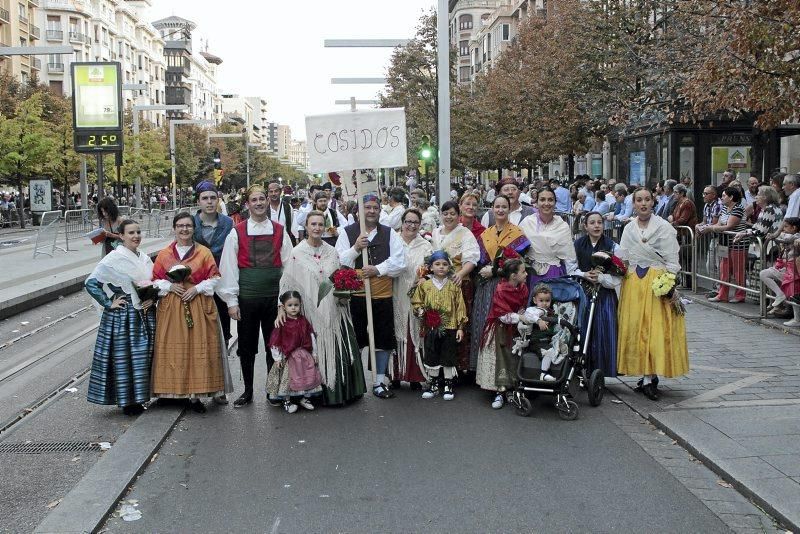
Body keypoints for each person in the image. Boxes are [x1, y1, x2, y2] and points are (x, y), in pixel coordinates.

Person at [277, 211, 366, 405]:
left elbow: (338, 275)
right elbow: (288, 282)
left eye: (320, 224)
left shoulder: (331, 251)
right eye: (313, 224)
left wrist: (345, 292)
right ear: (306, 227)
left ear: (324, 227)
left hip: (335, 309)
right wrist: (281, 307)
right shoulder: (297, 253)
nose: (317, 228)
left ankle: (344, 392)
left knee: (341, 347)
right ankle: (316, 393)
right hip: (311, 311)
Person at [218, 184, 294, 408]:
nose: (259, 203)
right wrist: (231, 301)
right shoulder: (237, 232)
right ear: (248, 204)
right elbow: (229, 267)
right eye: (255, 200)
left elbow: (289, 266)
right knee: (248, 346)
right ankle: (248, 390)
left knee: (275, 345)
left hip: (274, 298)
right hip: (248, 298)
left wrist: (285, 300)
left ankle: (273, 389)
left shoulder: (280, 231)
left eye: (262, 199)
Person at [151, 213, 231, 413]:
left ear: (193, 228)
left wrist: (197, 288)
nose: (184, 229)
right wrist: (169, 287)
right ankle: (172, 393)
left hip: (197, 303)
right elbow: (154, 279)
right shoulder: (164, 254)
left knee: (197, 349)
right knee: (172, 349)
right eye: (180, 226)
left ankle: (196, 394)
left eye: (188, 225)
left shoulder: (203, 252)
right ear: (174, 228)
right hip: (172, 306)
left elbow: (215, 277)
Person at [617, 187, 689, 401]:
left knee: (653, 329)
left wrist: (670, 282)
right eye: (639, 200)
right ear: (634, 204)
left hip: (656, 282)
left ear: (653, 202)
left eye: (647, 199)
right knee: (636, 329)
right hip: (633, 283)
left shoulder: (664, 227)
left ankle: (651, 377)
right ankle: (643, 373)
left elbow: (672, 259)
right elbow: (623, 258)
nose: (643, 203)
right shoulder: (629, 228)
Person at [336, 193, 406, 398]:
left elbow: (400, 262)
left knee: (382, 338)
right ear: (359, 210)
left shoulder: (389, 233)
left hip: (381, 294)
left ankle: (378, 381)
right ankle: (356, 382)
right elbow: (341, 261)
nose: (371, 211)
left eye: (375, 207)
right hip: (356, 296)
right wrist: (356, 248)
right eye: (367, 207)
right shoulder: (347, 232)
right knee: (356, 339)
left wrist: (378, 269)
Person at [85, 220, 155, 415]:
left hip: (144, 313)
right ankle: (128, 402)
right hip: (124, 317)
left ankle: (140, 397)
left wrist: (152, 298)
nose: (136, 236)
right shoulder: (113, 258)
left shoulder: (144, 257)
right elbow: (91, 283)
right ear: (121, 236)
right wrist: (110, 302)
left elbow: (153, 282)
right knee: (125, 359)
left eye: (138, 232)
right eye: (131, 233)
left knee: (142, 357)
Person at [469, 195, 531, 372]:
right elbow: (479, 260)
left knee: (503, 326)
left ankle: (503, 370)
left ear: (509, 209)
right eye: (497, 207)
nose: (500, 210)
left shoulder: (517, 234)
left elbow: (519, 263)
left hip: (506, 285)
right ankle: (482, 369)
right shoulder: (485, 234)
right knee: (483, 322)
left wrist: (495, 271)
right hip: (486, 286)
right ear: (492, 209)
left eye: (504, 207)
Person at [411, 250, 468, 401]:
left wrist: (460, 327)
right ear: (430, 267)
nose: (441, 267)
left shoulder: (454, 285)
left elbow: (460, 306)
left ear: (449, 267)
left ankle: (449, 385)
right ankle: (434, 384)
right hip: (431, 327)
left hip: (450, 326)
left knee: (448, 355)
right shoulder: (425, 285)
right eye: (437, 264)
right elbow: (417, 302)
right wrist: (421, 311)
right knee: (432, 355)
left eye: (444, 264)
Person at [431, 200, 480, 373]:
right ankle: (441, 367)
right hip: (439, 286)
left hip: (460, 284)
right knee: (441, 325)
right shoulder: (436, 232)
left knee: (459, 325)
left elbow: (472, 258)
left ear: (458, 215)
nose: (449, 217)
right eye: (445, 213)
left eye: (452, 213)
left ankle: (460, 367)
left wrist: (459, 274)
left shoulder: (465, 233)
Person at [573, 212, 622, 377]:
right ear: (585, 226)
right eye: (592, 223)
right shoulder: (577, 244)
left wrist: (601, 278)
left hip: (605, 295)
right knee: (583, 330)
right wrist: (584, 274)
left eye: (599, 222)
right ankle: (580, 369)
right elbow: (570, 267)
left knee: (604, 331)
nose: (596, 226)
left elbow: (619, 275)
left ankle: (600, 372)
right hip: (583, 293)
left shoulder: (612, 245)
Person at [476, 258, 529, 409]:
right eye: (523, 271)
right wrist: (519, 317)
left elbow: (522, 307)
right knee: (500, 357)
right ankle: (500, 391)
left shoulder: (523, 288)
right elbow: (501, 314)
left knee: (514, 357)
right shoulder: (501, 289)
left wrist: (521, 316)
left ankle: (512, 387)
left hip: (515, 328)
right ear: (513, 275)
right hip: (500, 327)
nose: (526, 274)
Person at [392, 208, 432, 388]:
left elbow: (432, 268)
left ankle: (415, 376)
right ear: (402, 222)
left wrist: (424, 278)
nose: (412, 225)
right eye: (408, 221)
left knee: (415, 331)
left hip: (417, 294)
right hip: (395, 291)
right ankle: (395, 375)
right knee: (396, 330)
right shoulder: (393, 240)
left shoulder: (425, 245)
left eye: (416, 222)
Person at [193, 181, 234, 356]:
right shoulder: (190, 224)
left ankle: (222, 357)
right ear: (198, 202)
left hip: (222, 280)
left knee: (222, 323)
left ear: (218, 200)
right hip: (197, 282)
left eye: (213, 198)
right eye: (205, 198)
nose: (209, 202)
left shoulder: (228, 223)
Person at [266, 291, 324, 413]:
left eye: (296, 305)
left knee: (306, 377)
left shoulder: (304, 321)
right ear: (284, 307)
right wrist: (277, 358)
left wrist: (314, 353)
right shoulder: (282, 322)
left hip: (304, 356)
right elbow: (275, 341)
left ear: (300, 305)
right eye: (290, 305)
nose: (293, 308)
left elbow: (311, 336)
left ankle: (304, 398)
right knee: (288, 380)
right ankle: (287, 401)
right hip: (288, 357)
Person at [519, 187, 578, 288]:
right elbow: (518, 249)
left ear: (555, 203)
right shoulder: (527, 222)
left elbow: (569, 257)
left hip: (554, 274)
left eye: (550, 200)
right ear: (536, 203)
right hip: (531, 274)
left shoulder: (562, 226)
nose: (546, 203)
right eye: (542, 199)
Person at [708, 187, 749, 303]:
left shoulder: (738, 208)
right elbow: (720, 222)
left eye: (724, 195)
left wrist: (712, 228)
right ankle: (722, 294)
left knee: (738, 270)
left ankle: (740, 295)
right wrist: (713, 227)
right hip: (724, 242)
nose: (722, 198)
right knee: (723, 268)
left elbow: (729, 226)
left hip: (738, 243)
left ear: (731, 197)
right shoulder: (725, 207)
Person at [760, 218, 800, 318]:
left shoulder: (796, 236)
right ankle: (779, 295)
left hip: (793, 271)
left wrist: (775, 235)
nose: (783, 229)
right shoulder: (788, 235)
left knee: (793, 292)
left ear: (794, 227)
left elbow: (786, 238)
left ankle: (796, 318)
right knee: (763, 273)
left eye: (785, 226)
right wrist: (773, 235)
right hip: (784, 269)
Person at [520, 283, 559, 381]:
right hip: (535, 340)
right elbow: (528, 315)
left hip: (546, 340)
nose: (544, 303)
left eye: (547, 300)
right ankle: (543, 374)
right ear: (534, 300)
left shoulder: (552, 312)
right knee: (549, 352)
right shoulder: (534, 310)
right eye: (541, 300)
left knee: (555, 350)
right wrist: (539, 320)